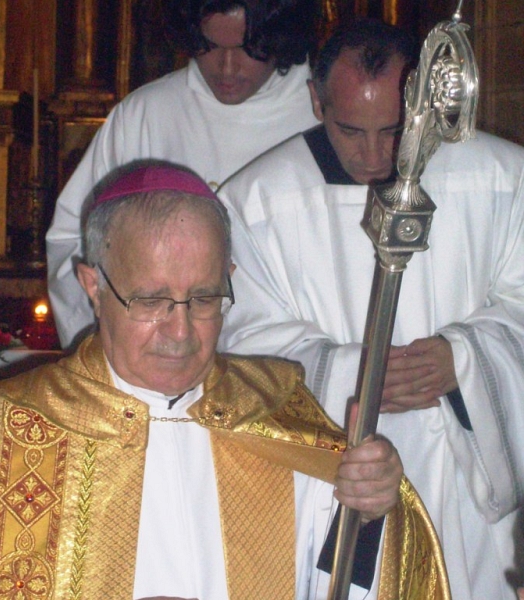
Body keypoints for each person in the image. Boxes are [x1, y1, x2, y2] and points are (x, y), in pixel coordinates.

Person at [0, 163, 450, 599]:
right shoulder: (9, 427)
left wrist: (372, 506)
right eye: (150, 301)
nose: (180, 331)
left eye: (204, 299)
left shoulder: (277, 407)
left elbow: (339, 578)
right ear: (92, 285)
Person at [217, 19, 524, 599]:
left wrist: (465, 360)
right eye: (351, 130)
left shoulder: (503, 180)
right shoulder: (257, 201)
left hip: (470, 485)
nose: (375, 156)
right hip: (336, 478)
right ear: (316, 99)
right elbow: (241, 345)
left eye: (394, 129)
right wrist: (357, 376)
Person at [46, 0, 321, 350]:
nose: (227, 68)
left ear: (281, 39)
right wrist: (103, 354)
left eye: (249, 50)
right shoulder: (146, 114)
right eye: (209, 47)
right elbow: (75, 240)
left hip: (289, 357)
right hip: (160, 354)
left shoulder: (325, 115)